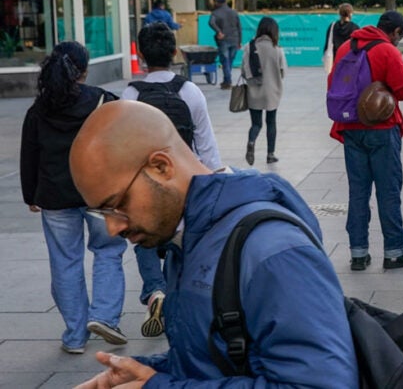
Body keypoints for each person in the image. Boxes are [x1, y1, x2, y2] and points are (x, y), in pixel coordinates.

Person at [68, 101, 358, 387]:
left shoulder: (274, 251)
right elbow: (217, 360)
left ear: (161, 166)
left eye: (117, 205)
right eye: (101, 213)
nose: (112, 227)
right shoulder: (187, 238)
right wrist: (144, 372)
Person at [19, 41, 128, 354]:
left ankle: (75, 335)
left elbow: (30, 155)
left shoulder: (38, 110)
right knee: (108, 251)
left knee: (65, 263)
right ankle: (105, 317)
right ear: (83, 71)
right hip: (101, 194)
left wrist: (31, 195)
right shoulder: (104, 101)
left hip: (54, 198)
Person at [121, 22, 222, 338]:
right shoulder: (190, 92)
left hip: (146, 185)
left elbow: (123, 148)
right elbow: (206, 149)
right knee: (181, 244)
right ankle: (175, 300)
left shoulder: (130, 94)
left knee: (142, 237)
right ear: (175, 52)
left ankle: (155, 291)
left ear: (141, 56)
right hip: (184, 184)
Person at [329, 11, 403, 271]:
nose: (398, 41)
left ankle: (358, 254)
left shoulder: (345, 48)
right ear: (394, 31)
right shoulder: (386, 51)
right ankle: (395, 251)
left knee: (357, 192)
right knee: (388, 190)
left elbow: (333, 84)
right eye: (399, 36)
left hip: (350, 128)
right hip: (381, 130)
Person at [242, 17, 287, 165]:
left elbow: (244, 71)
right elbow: (283, 72)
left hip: (254, 92)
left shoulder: (249, 47)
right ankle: (270, 154)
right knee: (271, 123)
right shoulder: (277, 49)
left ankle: (251, 141)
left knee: (256, 124)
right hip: (272, 92)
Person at [208, 0, 241, 90]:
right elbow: (239, 27)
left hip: (224, 40)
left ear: (218, 3)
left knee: (225, 61)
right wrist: (239, 41)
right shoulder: (234, 12)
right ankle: (226, 80)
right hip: (235, 39)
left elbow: (211, 22)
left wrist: (219, 31)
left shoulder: (216, 13)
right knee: (230, 61)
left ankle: (228, 81)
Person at [323, 3, 358, 74]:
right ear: (350, 14)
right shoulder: (355, 28)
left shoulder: (332, 26)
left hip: (335, 60)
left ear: (339, 13)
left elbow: (327, 44)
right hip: (349, 60)